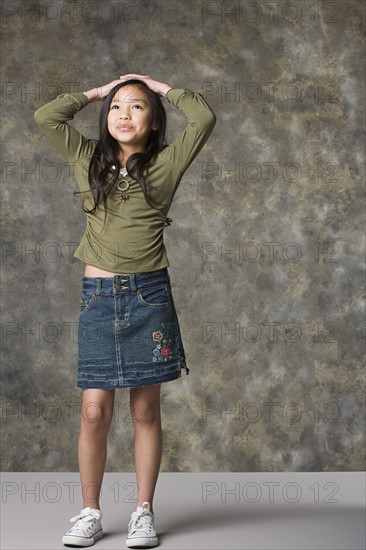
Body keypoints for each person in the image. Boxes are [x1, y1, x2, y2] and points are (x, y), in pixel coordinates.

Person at [34, 73, 216, 547]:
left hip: (148, 298)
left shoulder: (166, 165)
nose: (124, 114)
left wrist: (158, 86)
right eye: (116, 107)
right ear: (105, 117)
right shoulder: (87, 159)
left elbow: (204, 116)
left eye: (137, 107)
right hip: (98, 299)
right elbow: (46, 115)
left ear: (154, 122)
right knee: (94, 413)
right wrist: (97, 91)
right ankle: (90, 511)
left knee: (144, 411)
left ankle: (143, 511)